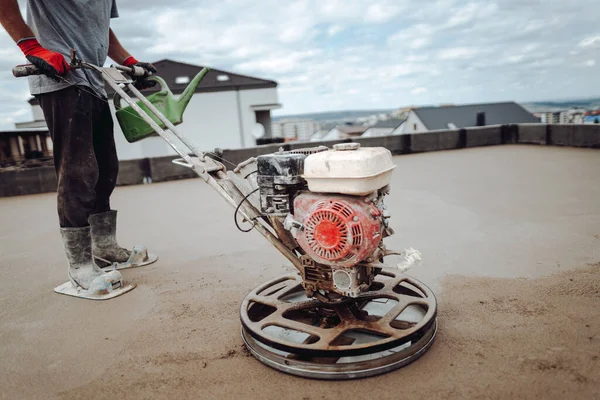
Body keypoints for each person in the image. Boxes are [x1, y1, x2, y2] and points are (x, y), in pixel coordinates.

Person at [0, 0, 157, 298]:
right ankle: (80, 267)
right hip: (60, 78)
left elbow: (100, 28)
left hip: (95, 79)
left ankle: (105, 249)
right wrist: (33, 48)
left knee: (106, 168)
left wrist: (128, 60)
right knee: (78, 171)